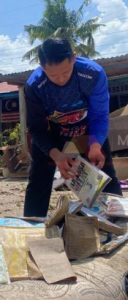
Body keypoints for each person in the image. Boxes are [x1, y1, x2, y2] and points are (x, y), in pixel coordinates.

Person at [24, 37, 122, 217]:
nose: (60, 79)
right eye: (53, 75)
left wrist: (95, 145)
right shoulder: (34, 85)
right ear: (42, 66)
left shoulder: (93, 74)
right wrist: (56, 155)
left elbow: (99, 116)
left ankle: (118, 222)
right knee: (38, 180)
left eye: (66, 72)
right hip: (51, 133)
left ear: (74, 58)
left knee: (105, 172)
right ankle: (32, 225)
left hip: (86, 130)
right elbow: (36, 128)